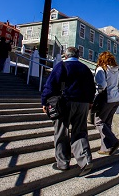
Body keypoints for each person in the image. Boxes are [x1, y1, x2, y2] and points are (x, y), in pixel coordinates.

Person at [41, 47, 95, 177]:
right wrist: (90, 102)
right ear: (78, 56)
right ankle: (85, 160)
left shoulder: (61, 66)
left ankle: (63, 163)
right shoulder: (85, 68)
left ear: (65, 55)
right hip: (83, 104)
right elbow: (91, 87)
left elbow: (50, 85)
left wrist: (44, 101)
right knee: (80, 131)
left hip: (65, 103)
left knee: (61, 132)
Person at [93, 51, 119, 156]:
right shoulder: (117, 71)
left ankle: (113, 141)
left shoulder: (101, 69)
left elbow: (102, 85)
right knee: (107, 123)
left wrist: (95, 94)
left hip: (106, 99)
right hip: (116, 99)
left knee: (99, 122)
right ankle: (106, 148)